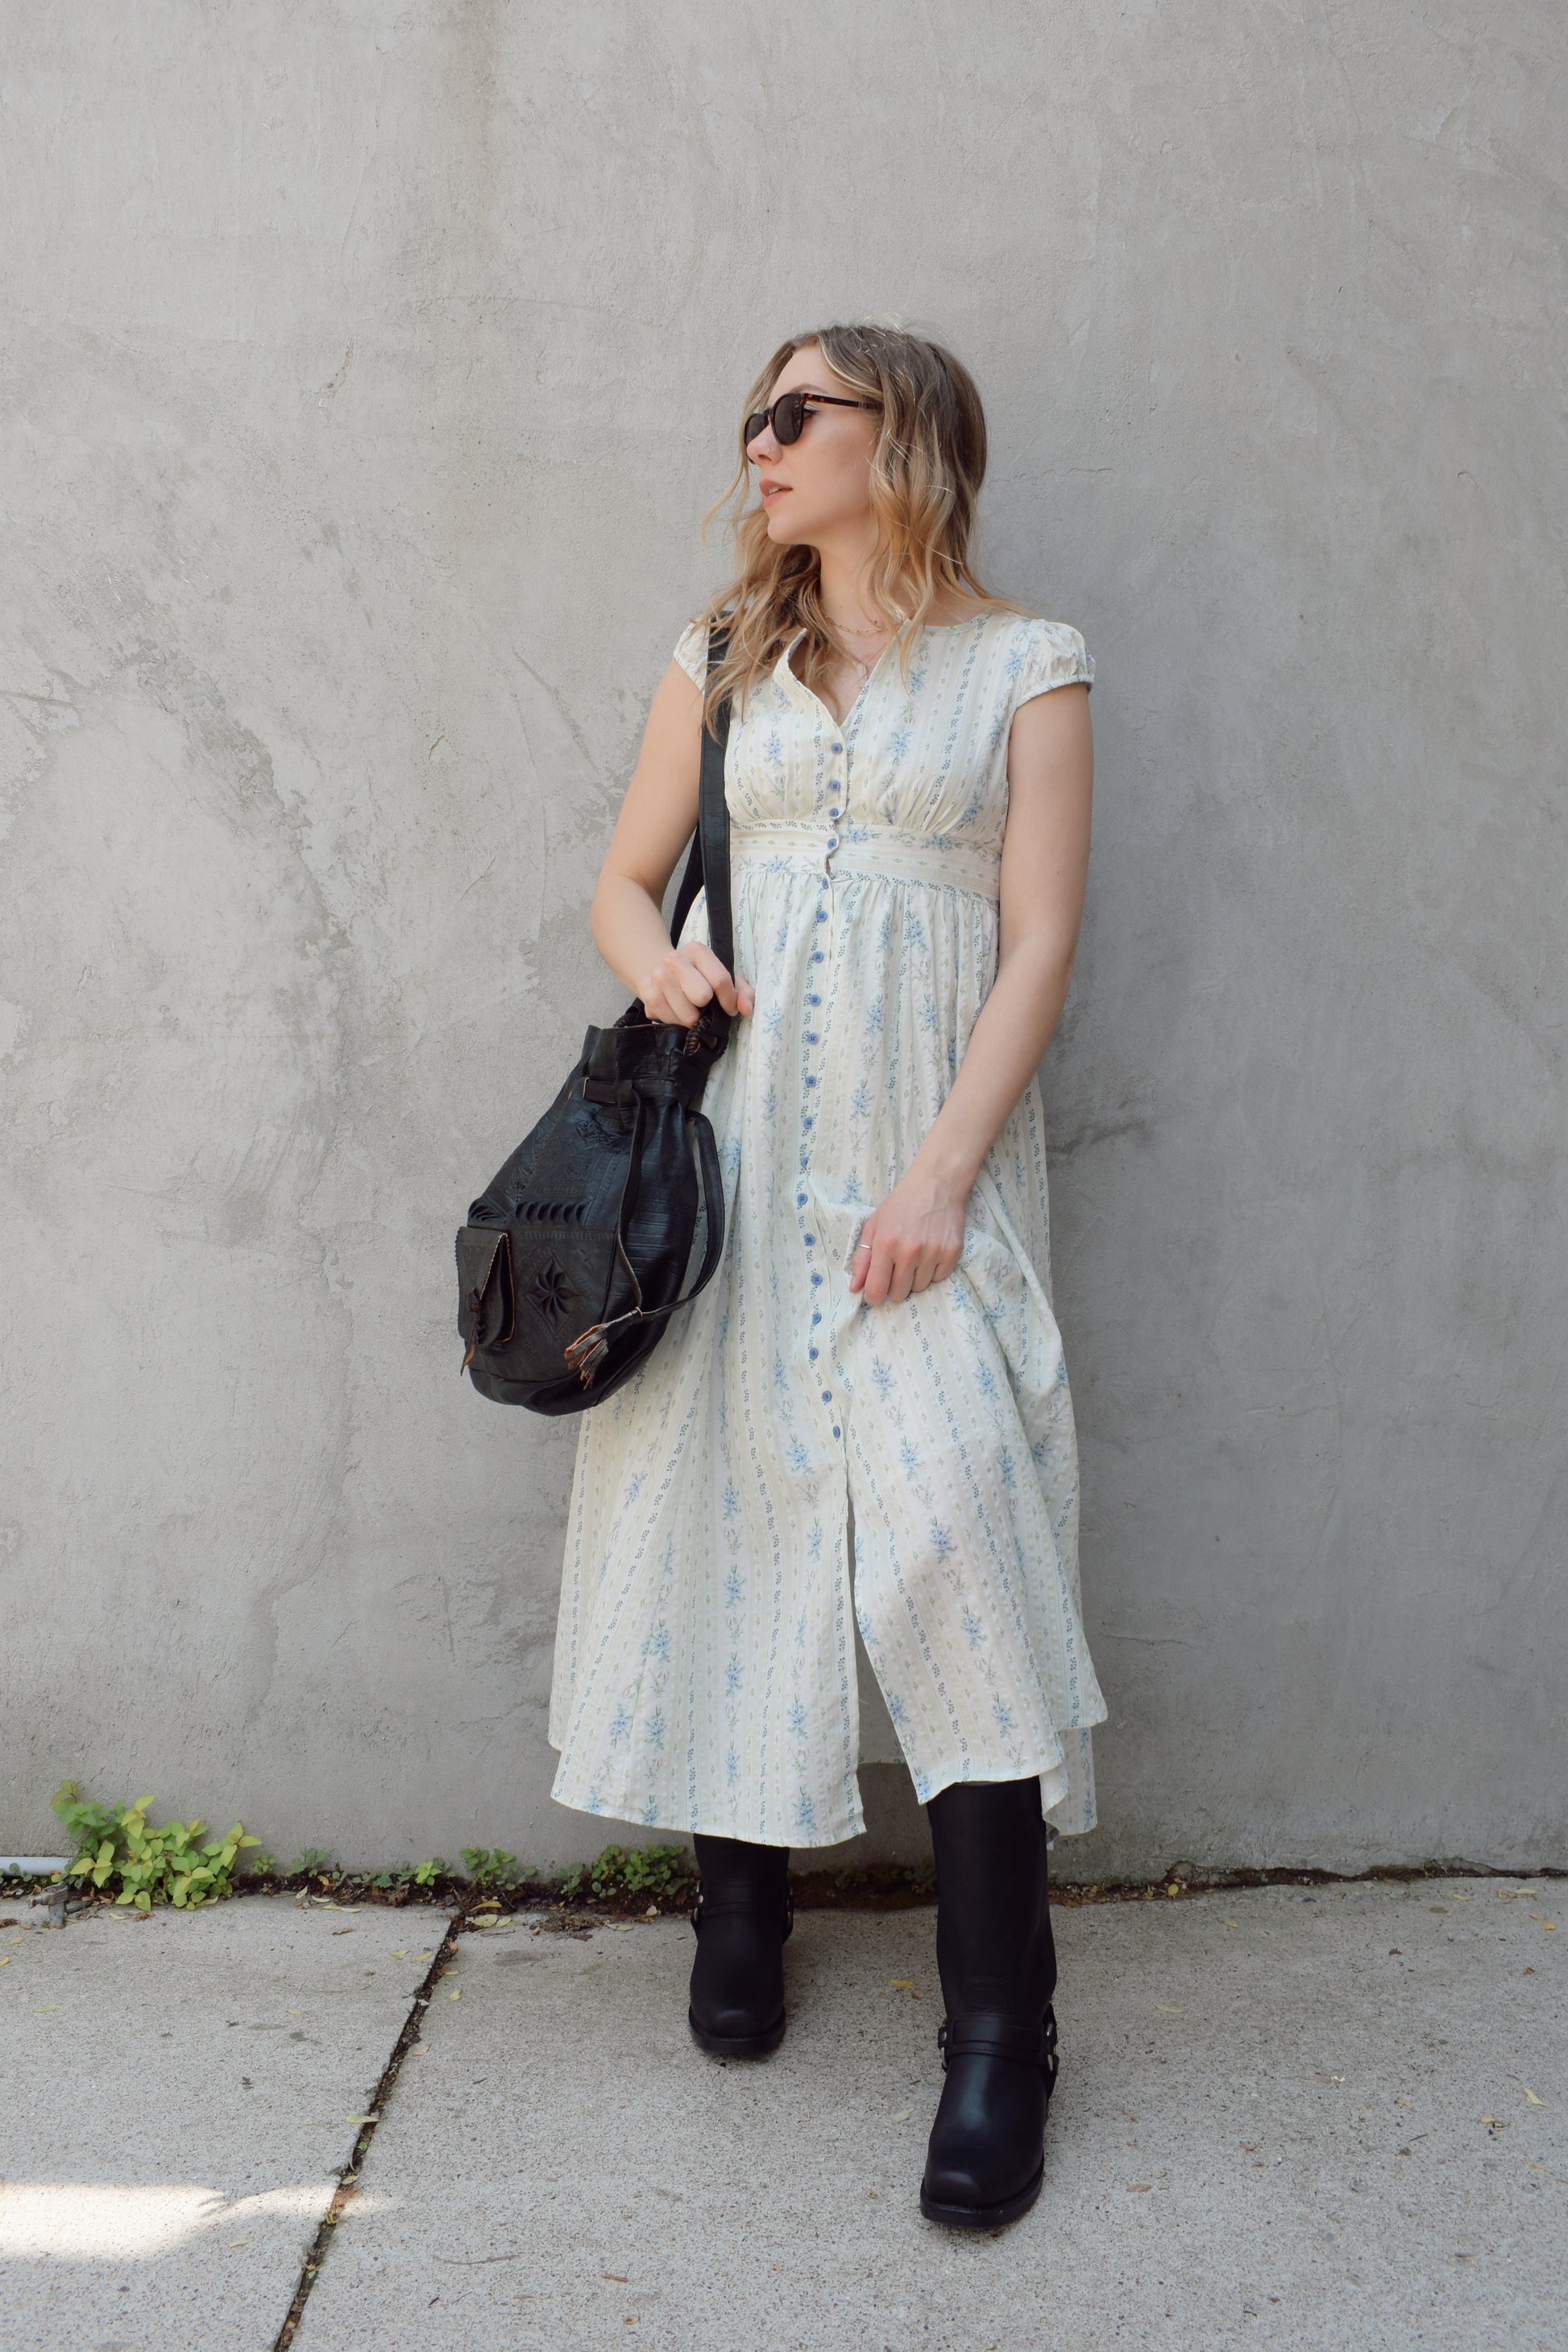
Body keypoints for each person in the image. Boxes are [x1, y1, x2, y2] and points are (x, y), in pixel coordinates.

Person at [546, 321, 1106, 2230]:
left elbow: (1037, 940)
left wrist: (942, 1173)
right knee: (734, 1517)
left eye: (799, 414)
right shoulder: (718, 657)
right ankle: (739, 1905)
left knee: (961, 1547)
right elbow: (624, 875)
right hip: (725, 1172)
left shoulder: (1028, 667)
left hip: (918, 1178)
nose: (760, 445)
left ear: (907, 436)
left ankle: (1000, 2034)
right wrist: (659, 961)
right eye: (754, 418)